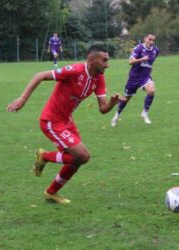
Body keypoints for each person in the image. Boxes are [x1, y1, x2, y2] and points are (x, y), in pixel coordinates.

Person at [7, 46, 125, 204]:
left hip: (67, 121)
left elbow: (103, 109)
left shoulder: (99, 78)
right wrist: (22, 99)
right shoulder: (75, 70)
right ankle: (44, 156)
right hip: (51, 121)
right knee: (83, 156)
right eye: (104, 60)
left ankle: (51, 192)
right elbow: (39, 75)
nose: (107, 64)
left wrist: (112, 102)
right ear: (92, 60)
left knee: (78, 159)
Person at [111, 33, 160, 127]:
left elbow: (151, 62)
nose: (151, 42)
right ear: (145, 38)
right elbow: (130, 62)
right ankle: (116, 116)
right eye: (150, 39)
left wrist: (149, 68)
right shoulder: (138, 48)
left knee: (152, 91)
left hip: (145, 76)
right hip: (134, 77)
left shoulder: (155, 50)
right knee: (126, 99)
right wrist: (141, 59)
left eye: (153, 40)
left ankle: (145, 113)